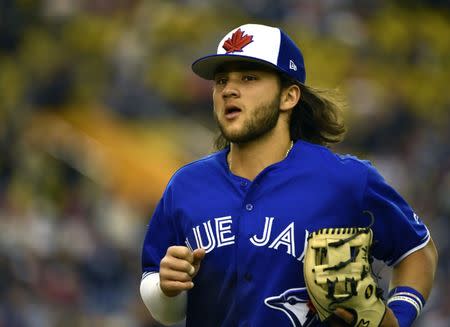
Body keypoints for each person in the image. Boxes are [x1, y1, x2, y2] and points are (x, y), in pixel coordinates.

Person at [140, 24, 438, 327]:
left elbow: (417, 251)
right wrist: (167, 289)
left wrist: (399, 318)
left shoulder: (344, 180)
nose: (228, 89)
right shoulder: (186, 185)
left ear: (289, 96)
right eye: (221, 80)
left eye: (248, 77)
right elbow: (163, 306)